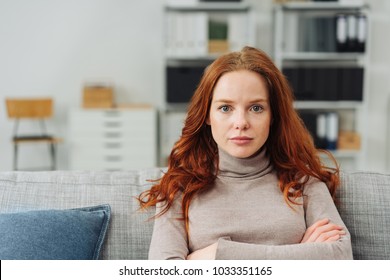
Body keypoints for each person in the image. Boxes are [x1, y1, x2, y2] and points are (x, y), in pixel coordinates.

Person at [138, 46, 353, 260]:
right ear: (207, 115)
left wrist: (215, 255)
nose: (240, 123)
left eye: (256, 108)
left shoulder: (304, 181)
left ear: (273, 116)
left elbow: (341, 258)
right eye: (225, 108)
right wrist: (301, 254)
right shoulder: (179, 185)